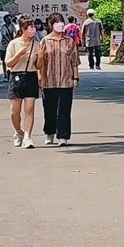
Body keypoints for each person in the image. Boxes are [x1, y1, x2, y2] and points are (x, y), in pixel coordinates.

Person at [38, 12, 80, 146]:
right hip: (49, 80)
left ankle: (63, 136)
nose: (60, 24)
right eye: (56, 22)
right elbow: (40, 62)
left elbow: (74, 61)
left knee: (64, 109)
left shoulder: (69, 41)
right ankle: (49, 132)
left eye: (61, 22)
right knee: (49, 108)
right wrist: (40, 78)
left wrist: (75, 78)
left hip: (66, 80)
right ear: (51, 25)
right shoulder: (44, 41)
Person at [4, 17, 40, 148]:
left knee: (29, 109)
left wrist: (41, 56)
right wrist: (19, 54)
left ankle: (27, 137)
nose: (33, 30)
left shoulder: (37, 44)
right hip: (16, 76)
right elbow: (8, 63)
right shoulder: (14, 44)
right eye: (30, 27)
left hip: (31, 76)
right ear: (23, 29)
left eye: (33, 27)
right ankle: (18, 131)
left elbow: (39, 65)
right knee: (14, 111)